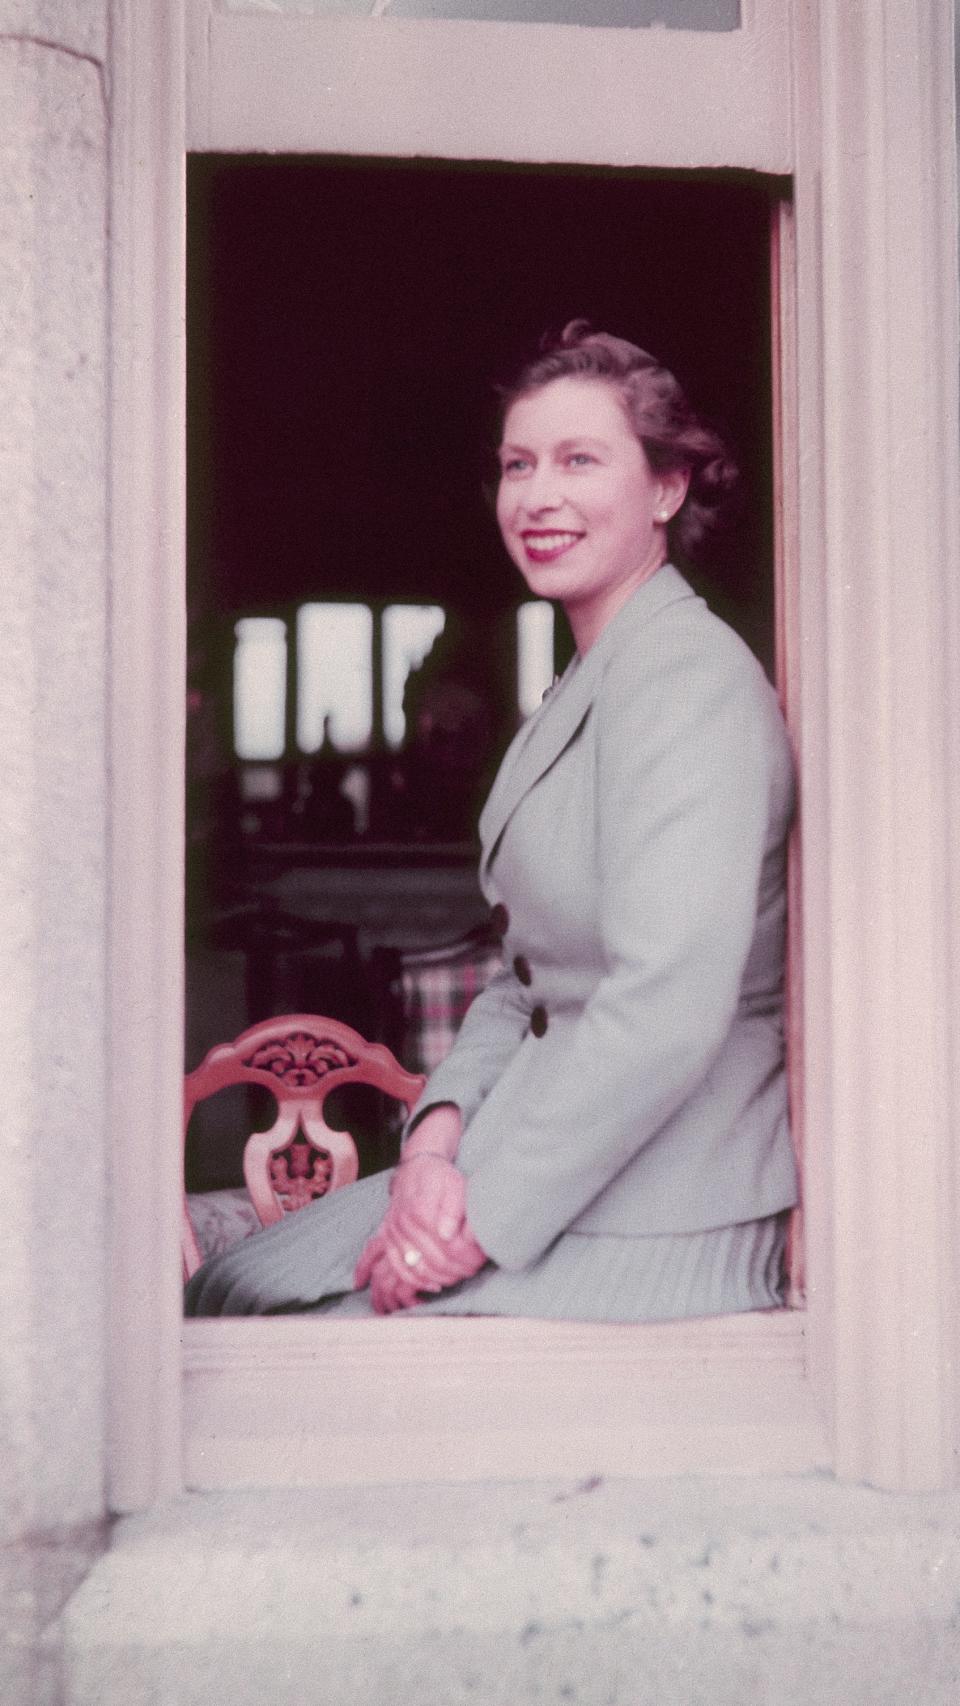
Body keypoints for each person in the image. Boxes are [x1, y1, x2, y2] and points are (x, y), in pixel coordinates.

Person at [185, 321, 798, 1320]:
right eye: (519, 464)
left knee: (284, 1346)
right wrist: (434, 1143)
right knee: (232, 1286)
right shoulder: (586, 687)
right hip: (531, 1163)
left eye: (579, 459)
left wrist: (474, 1221)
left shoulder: (692, 685)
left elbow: (666, 1009)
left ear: (667, 489)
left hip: (667, 1206)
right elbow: (528, 982)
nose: (537, 495)